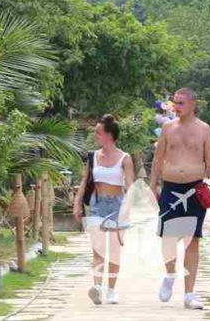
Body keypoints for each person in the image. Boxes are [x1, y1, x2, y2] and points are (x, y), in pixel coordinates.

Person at [148, 88, 210, 310]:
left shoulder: (204, 130)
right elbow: (157, 159)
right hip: (171, 188)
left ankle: (189, 294)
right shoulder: (167, 128)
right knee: (169, 238)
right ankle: (170, 274)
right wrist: (152, 186)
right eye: (175, 102)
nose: (176, 106)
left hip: (195, 189)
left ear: (193, 104)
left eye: (181, 102)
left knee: (192, 241)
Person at [72, 114, 135, 305]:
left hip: (117, 204)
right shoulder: (93, 157)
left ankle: (111, 289)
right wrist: (77, 203)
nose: (96, 135)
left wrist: (128, 209)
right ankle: (97, 288)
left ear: (109, 135)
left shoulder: (125, 158)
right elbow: (85, 181)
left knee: (114, 250)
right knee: (98, 249)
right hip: (97, 204)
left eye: (98, 132)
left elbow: (131, 185)